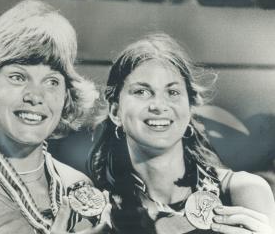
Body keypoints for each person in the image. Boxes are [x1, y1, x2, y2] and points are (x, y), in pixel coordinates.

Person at [0, 0, 111, 234]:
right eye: (18, 77)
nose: (35, 96)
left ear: (67, 95)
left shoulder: (79, 187)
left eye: (52, 81)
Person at [88, 33, 275, 234]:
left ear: (189, 108)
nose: (159, 106)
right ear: (115, 112)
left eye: (173, 92)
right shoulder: (96, 211)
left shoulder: (243, 191)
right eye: (142, 91)